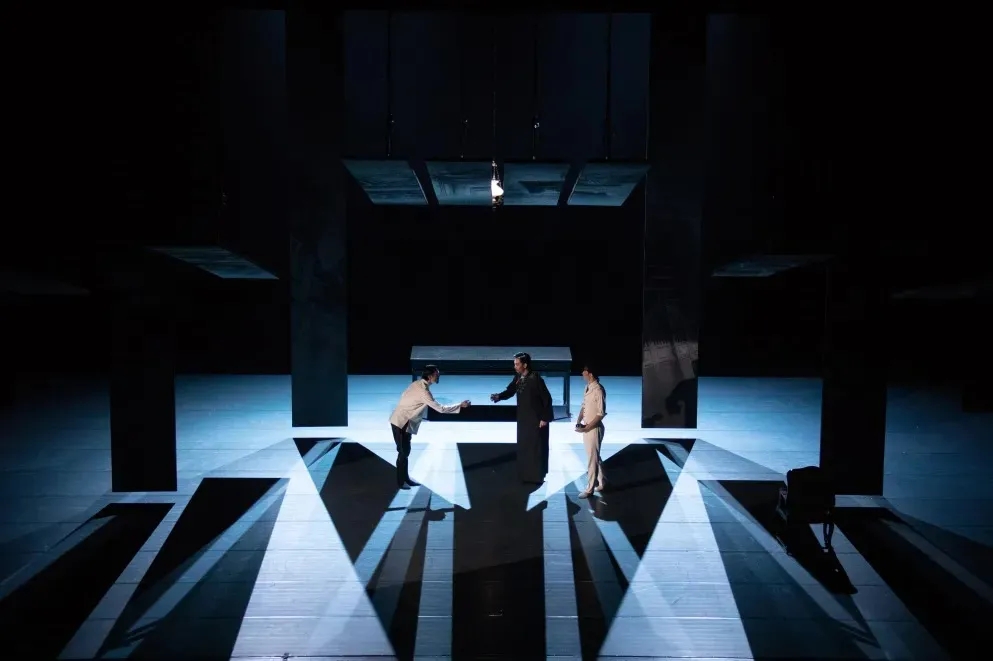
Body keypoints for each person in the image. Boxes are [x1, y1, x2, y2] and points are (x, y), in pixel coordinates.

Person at [390, 365, 470, 489]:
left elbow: (404, 395)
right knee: (403, 452)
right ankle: (401, 482)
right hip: (401, 422)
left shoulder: (417, 384)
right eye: (437, 374)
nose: (438, 376)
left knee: (406, 451)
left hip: (404, 421)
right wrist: (460, 405)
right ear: (430, 376)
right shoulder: (424, 391)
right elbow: (441, 409)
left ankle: (405, 478)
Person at [490, 352, 553, 483]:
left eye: (517, 364)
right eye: (514, 364)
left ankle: (536, 476)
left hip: (536, 420)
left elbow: (547, 399)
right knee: (525, 446)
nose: (515, 367)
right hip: (524, 418)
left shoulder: (535, 379)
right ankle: (526, 475)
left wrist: (544, 418)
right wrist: (499, 396)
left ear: (525, 365)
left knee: (535, 447)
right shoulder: (518, 377)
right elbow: (511, 390)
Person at [574, 363, 607, 498]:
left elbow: (600, 414)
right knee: (594, 456)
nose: (582, 374)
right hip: (587, 428)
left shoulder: (598, 390)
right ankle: (602, 481)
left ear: (590, 374)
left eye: (584, 372)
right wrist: (579, 421)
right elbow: (584, 405)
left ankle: (590, 489)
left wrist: (587, 427)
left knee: (592, 459)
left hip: (594, 429)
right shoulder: (587, 387)